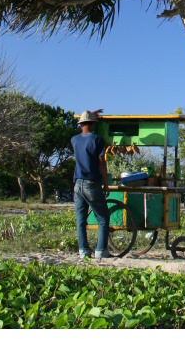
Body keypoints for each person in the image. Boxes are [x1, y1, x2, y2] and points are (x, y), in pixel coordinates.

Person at [72, 108, 112, 260]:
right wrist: (106, 184)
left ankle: (83, 250)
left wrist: (92, 115)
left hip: (78, 183)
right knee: (103, 217)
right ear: (93, 124)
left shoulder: (74, 140)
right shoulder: (97, 139)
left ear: (81, 124)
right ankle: (101, 250)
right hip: (91, 183)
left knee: (81, 219)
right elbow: (102, 163)